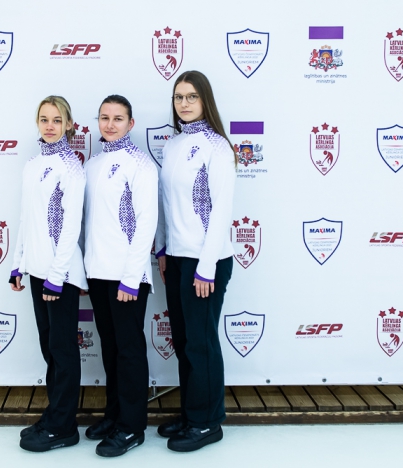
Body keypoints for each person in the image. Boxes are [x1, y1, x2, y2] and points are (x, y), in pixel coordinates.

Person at [154, 71, 236, 452]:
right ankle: (191, 413)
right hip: (177, 258)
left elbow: (221, 211)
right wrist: (163, 250)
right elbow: (167, 204)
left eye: (191, 97)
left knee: (201, 342)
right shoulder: (173, 146)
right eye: (178, 97)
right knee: (185, 340)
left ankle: (207, 423)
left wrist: (206, 267)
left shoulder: (218, 147)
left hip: (207, 261)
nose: (184, 103)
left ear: (205, 100)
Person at [9, 95, 87, 452]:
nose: (50, 126)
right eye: (44, 119)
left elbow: (70, 227)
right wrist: (18, 262)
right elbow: (27, 217)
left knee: (63, 349)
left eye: (57, 120)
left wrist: (57, 275)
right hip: (37, 270)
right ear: (37, 123)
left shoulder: (71, 167)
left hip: (61, 274)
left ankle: (64, 427)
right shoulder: (33, 164)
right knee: (49, 347)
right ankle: (56, 414)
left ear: (68, 124)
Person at [83, 95, 158, 457]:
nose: (110, 124)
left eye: (118, 118)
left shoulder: (140, 164)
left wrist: (131, 277)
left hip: (127, 276)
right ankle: (114, 415)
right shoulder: (93, 163)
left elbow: (146, 223)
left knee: (128, 350)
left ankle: (132, 427)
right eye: (104, 117)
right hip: (98, 273)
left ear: (131, 123)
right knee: (110, 348)